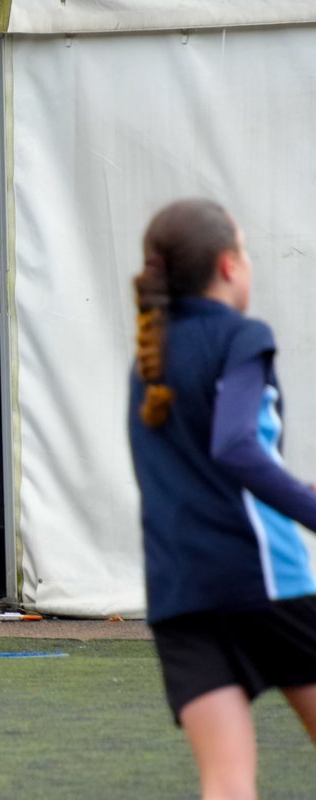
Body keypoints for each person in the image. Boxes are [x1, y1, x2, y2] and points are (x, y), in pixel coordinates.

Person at [129, 199, 316, 798]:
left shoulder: (148, 362)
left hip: (179, 588)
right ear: (231, 266)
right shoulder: (243, 337)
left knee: (228, 781)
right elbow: (235, 446)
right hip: (262, 580)